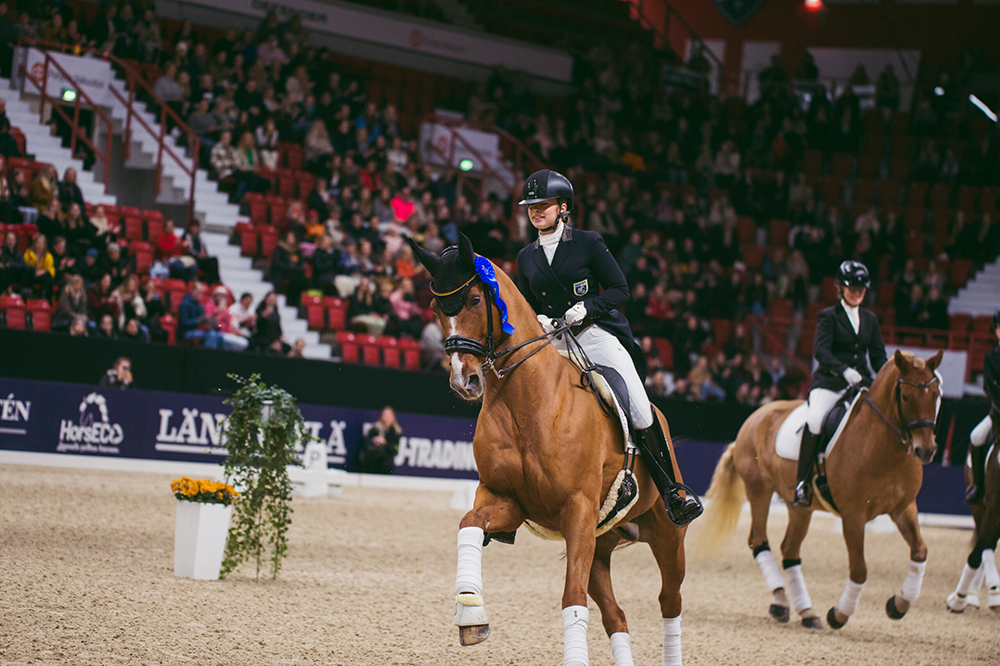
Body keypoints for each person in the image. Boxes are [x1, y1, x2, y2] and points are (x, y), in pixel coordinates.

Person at [513, 169, 702, 527]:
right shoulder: (526, 256)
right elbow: (524, 303)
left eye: (544, 205)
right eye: (531, 207)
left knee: (639, 408)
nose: (536, 211)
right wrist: (538, 319)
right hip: (552, 341)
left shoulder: (587, 242)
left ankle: (672, 491)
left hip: (593, 335)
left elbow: (619, 289)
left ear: (563, 207)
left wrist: (587, 308)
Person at [793, 260, 888, 507]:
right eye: (851, 287)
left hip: (861, 383)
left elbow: (878, 357)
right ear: (840, 288)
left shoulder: (870, 320)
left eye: (861, 289)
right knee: (815, 421)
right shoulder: (828, 317)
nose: (856, 293)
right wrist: (844, 370)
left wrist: (886, 376)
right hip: (830, 383)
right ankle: (802, 483)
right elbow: (821, 351)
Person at [965, 309, 1000, 504]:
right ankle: (978, 486)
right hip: (998, 412)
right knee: (976, 436)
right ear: (996, 330)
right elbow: (989, 387)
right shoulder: (991, 357)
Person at [359, 406, 401, 474]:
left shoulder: (395, 433)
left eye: (389, 415)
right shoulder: (374, 430)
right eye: (385, 414)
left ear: (393, 417)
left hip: (387, 466)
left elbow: (395, 450)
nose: (386, 417)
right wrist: (374, 442)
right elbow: (366, 447)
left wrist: (385, 443)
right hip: (372, 465)